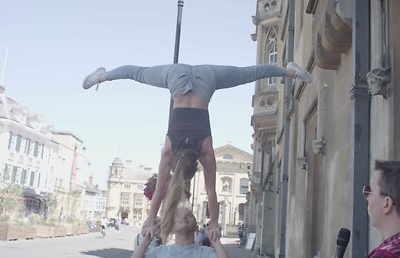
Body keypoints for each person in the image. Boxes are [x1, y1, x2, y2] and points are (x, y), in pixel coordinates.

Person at [82, 63, 312, 240]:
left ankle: (289, 70)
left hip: (206, 80)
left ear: (197, 166)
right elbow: (161, 188)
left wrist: (214, 224)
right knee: (138, 73)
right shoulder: (169, 151)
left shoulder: (206, 150)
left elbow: (212, 193)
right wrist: (150, 221)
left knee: (248, 73)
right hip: (176, 76)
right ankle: (101, 75)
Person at [131, 208, 230, 258]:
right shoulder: (161, 252)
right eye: (179, 216)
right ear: (172, 228)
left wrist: (215, 241)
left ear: (196, 228)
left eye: (189, 215)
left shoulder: (205, 252)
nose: (184, 217)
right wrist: (147, 239)